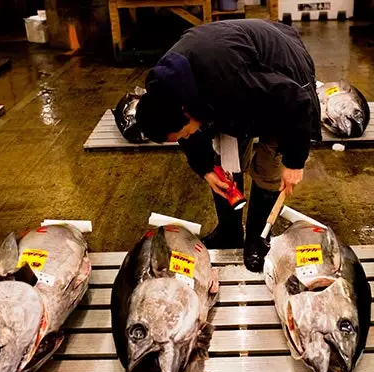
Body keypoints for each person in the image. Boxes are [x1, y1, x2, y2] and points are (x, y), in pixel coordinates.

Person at [136, 19, 321, 272]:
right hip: (234, 82)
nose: (185, 138)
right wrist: (205, 169)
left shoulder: (231, 81)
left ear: (186, 110)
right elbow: (191, 132)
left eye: (183, 133)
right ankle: (230, 230)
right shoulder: (166, 88)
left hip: (284, 76)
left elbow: (296, 101)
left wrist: (295, 161)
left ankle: (258, 238)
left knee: (270, 166)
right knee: (225, 161)